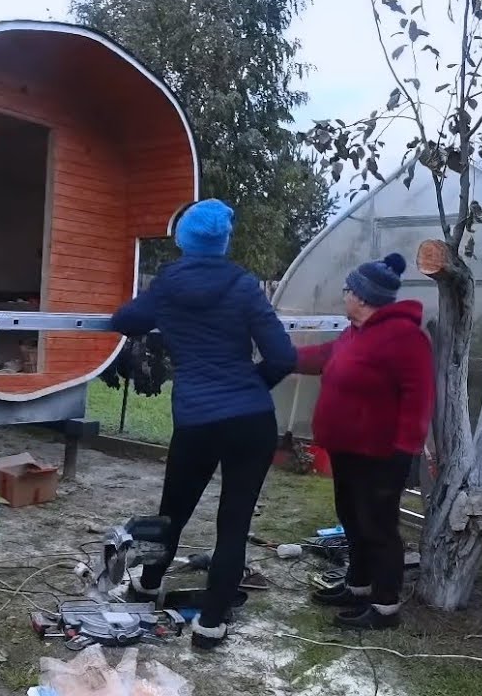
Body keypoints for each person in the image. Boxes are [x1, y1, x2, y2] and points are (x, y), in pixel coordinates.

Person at [109, 198, 297, 650]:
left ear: (184, 240)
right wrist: (252, 383)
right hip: (251, 420)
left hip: (196, 419)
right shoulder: (244, 285)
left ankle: (149, 584)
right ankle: (210, 626)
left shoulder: (169, 283)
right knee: (233, 523)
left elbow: (125, 320)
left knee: (173, 508)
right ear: (224, 241)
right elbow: (284, 357)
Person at [294, 252, 434, 630]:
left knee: (379, 529)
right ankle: (357, 586)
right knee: (352, 520)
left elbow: (419, 398)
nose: (344, 294)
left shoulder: (406, 337)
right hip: (348, 449)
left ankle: (385, 605)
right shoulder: (355, 332)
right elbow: (326, 356)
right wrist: (283, 356)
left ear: (362, 296)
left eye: (348, 289)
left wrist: (403, 453)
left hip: (382, 454)